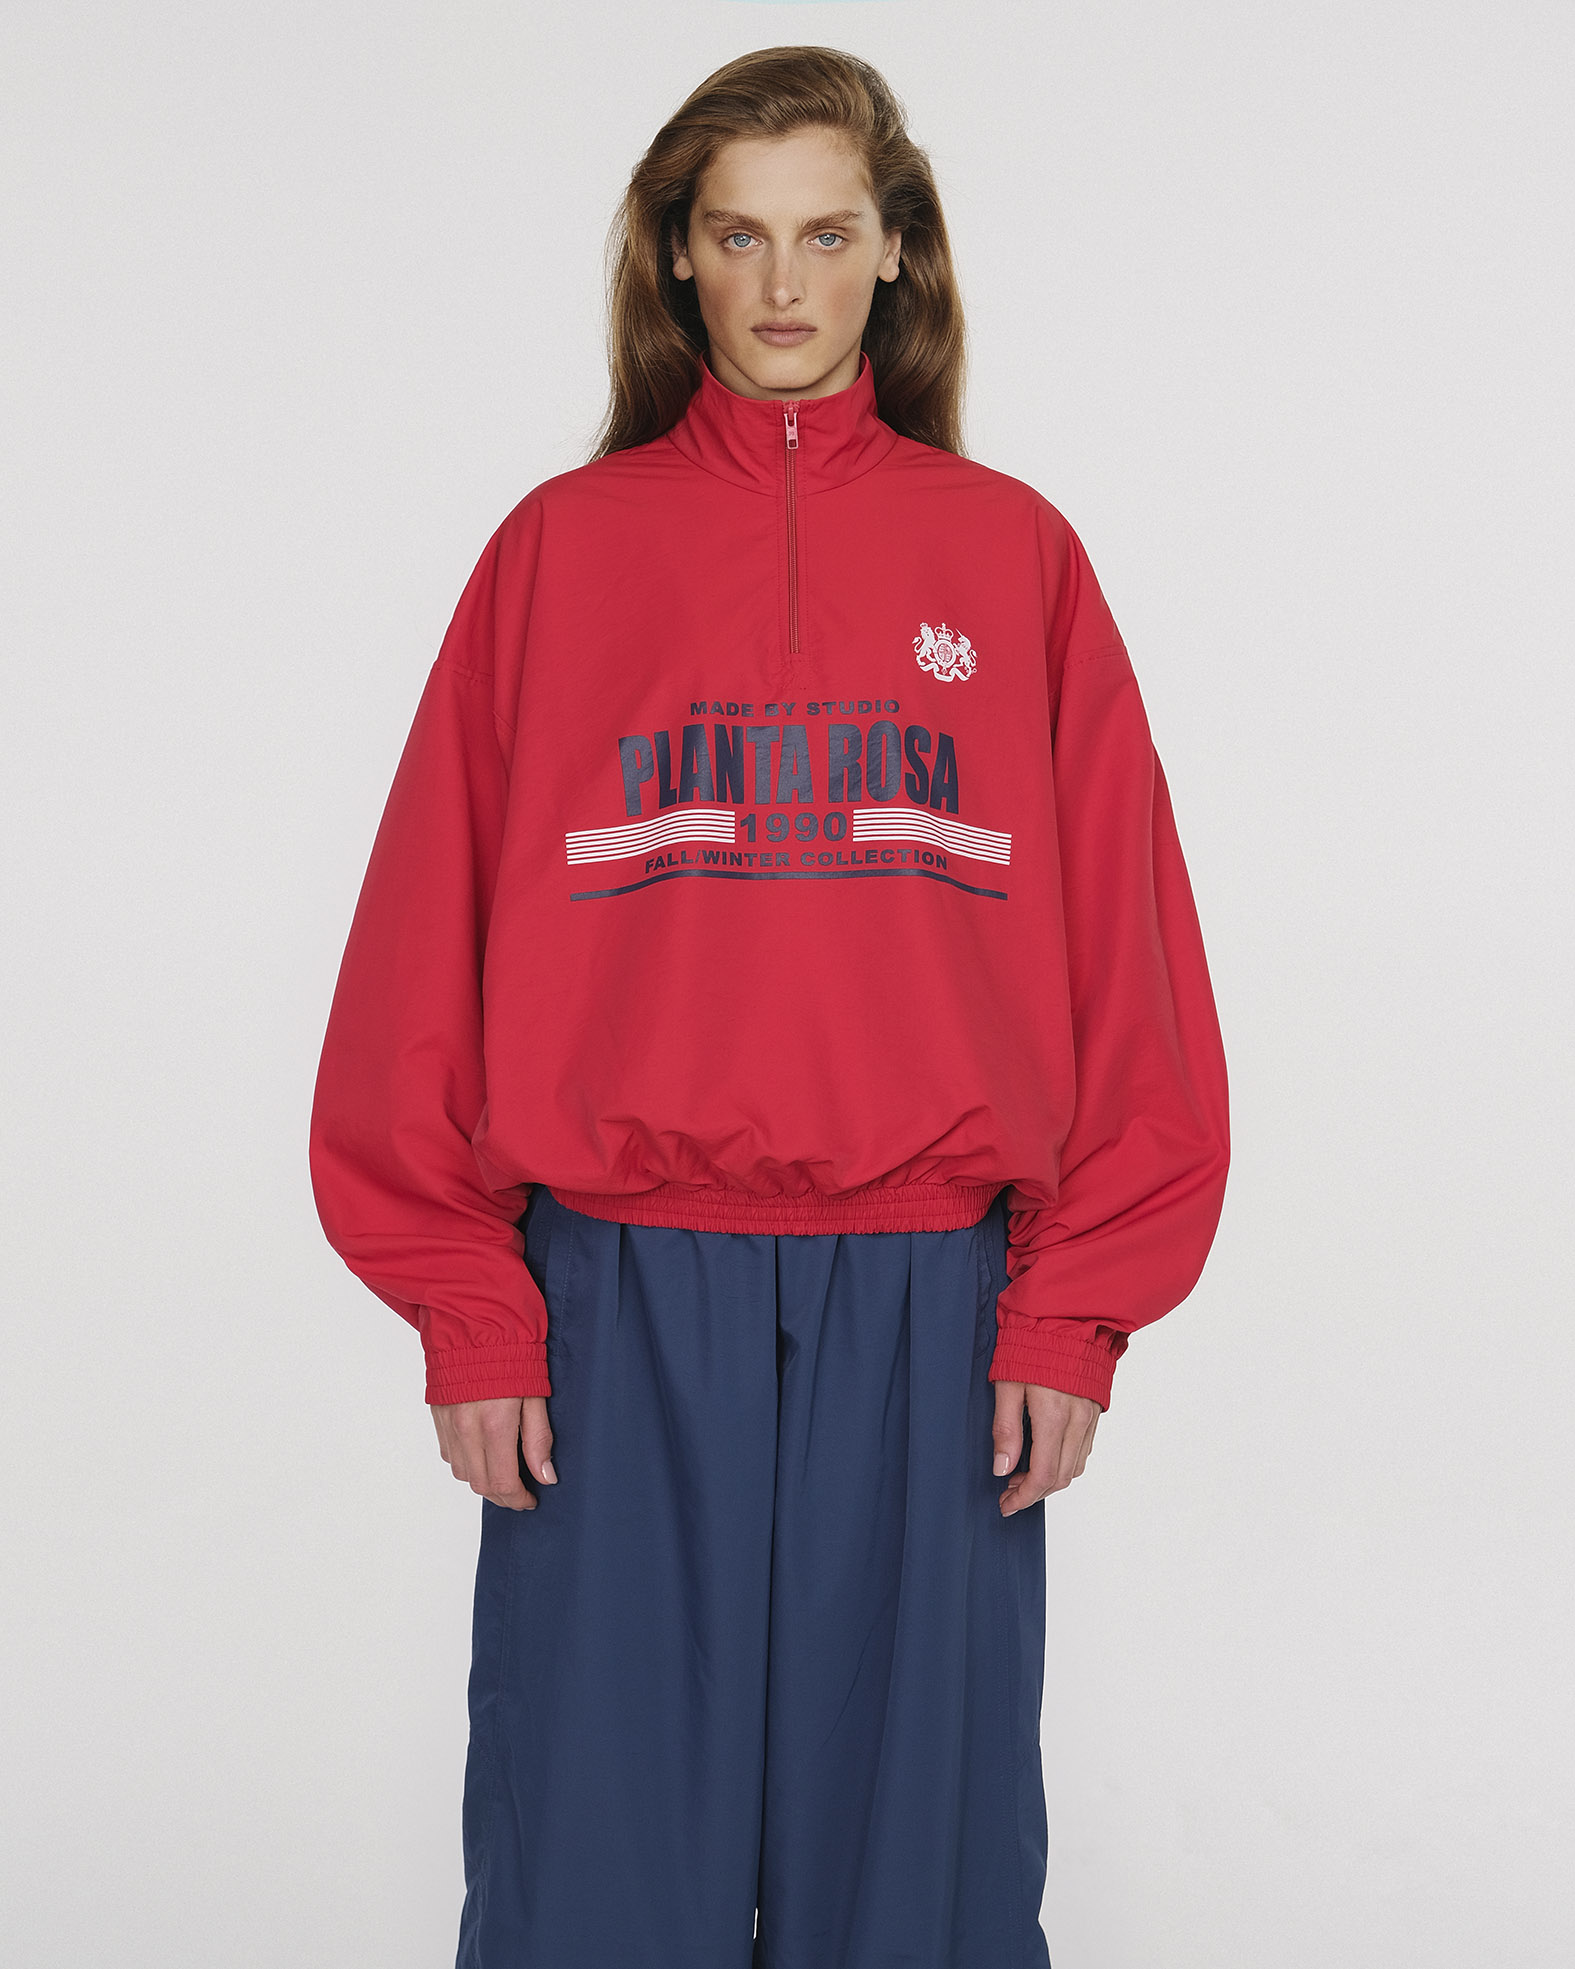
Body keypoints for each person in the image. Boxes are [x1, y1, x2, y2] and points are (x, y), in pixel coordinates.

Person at [308, 43, 1230, 1969]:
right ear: (679, 255)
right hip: (618, 1294)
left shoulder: (1016, 558)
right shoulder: (559, 553)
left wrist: (1074, 1299)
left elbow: (1130, 962)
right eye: (740, 236)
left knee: (920, 1884)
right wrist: (471, 1298)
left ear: (896, 250)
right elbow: (417, 954)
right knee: (593, 1868)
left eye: (826, 234)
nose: (785, 283)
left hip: (933, 1297)